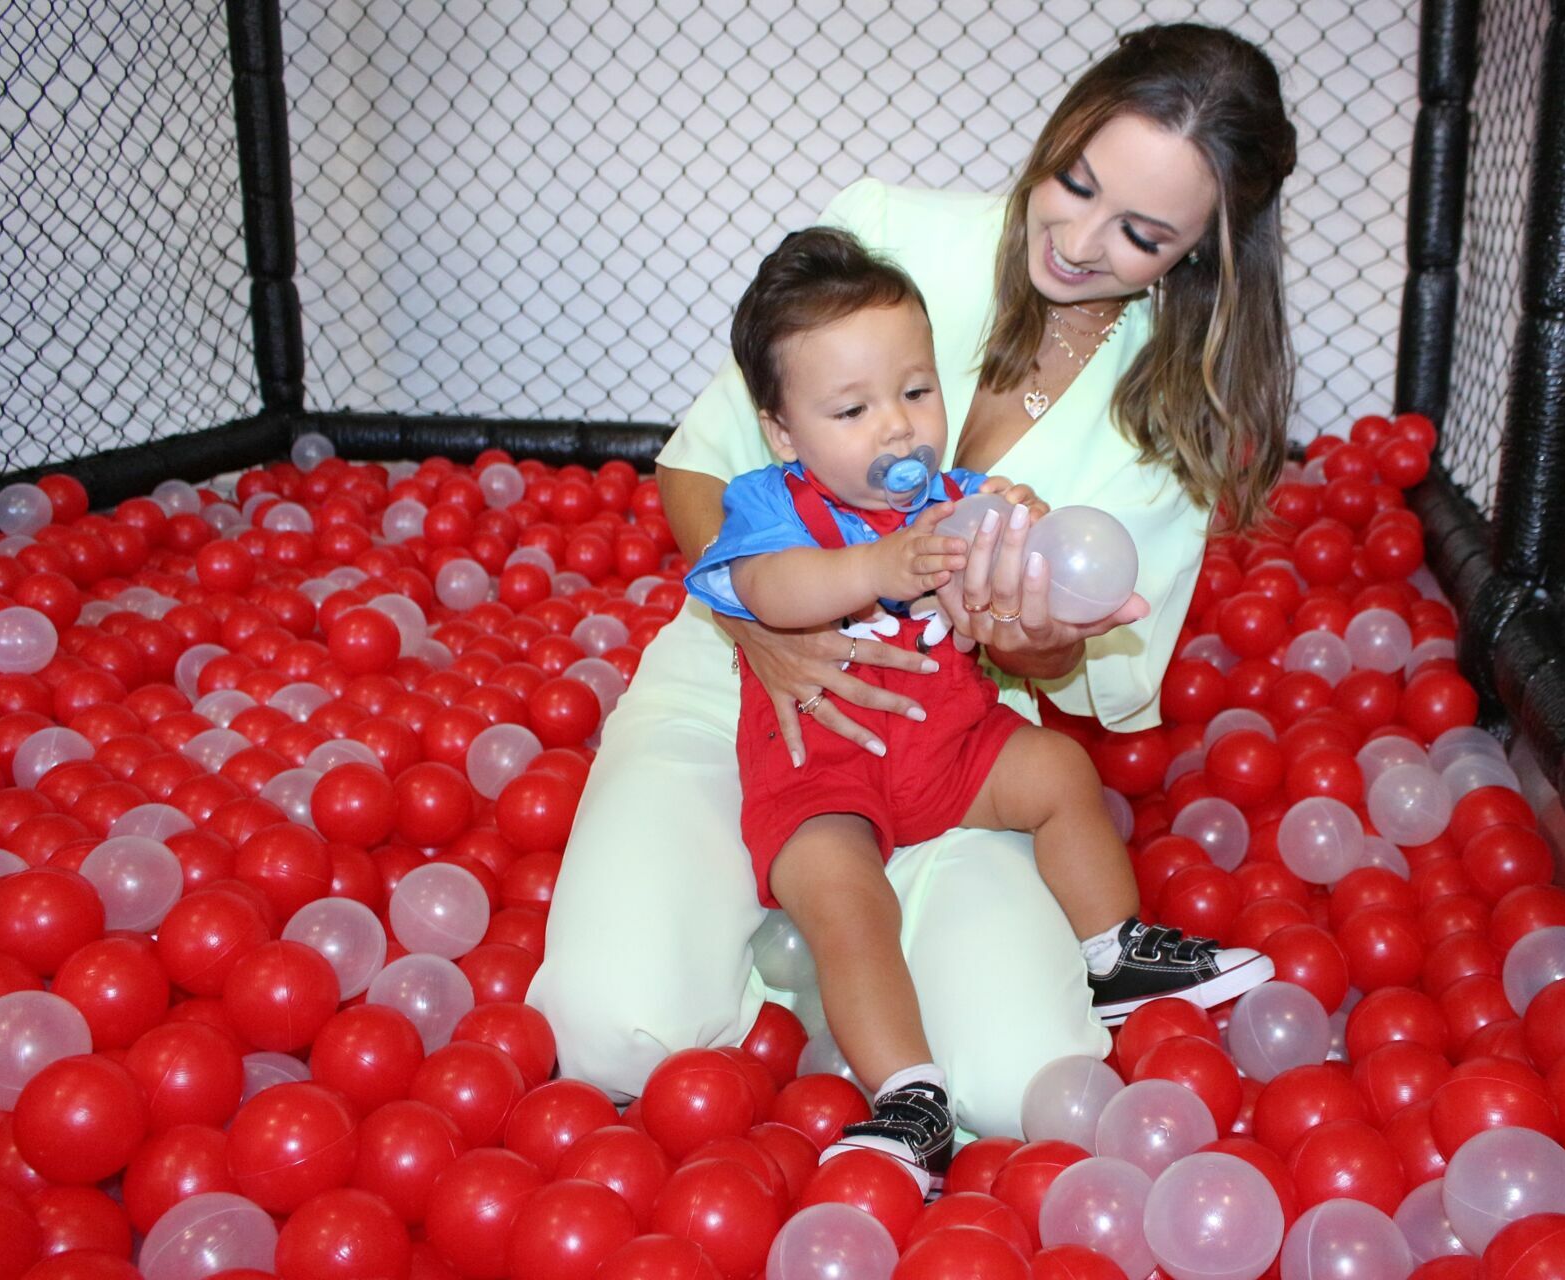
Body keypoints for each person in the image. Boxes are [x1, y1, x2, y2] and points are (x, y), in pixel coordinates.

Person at [527, 21, 1299, 1140]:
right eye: (1075, 182)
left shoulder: (1178, 415)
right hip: (745, 685)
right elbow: (697, 469)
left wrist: (1029, 634)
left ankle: (838, 965)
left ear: (1200, 253)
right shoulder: (890, 236)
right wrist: (768, 627)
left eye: (1140, 233)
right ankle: (808, 932)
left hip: (951, 725)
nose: (1078, 242)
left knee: (1027, 1091)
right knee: (613, 1034)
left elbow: (1079, 674)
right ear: (1060, 131)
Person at [684, 226, 1273, 1188]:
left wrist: (1025, 540)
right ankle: (909, 1097)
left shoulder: (954, 498)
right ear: (784, 431)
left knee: (1057, 771)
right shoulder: (768, 503)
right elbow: (765, 589)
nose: (897, 428)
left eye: (916, 392)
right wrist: (876, 566)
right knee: (849, 906)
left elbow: (1016, 594)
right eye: (852, 409)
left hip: (949, 747)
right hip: (822, 770)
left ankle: (1113, 951)